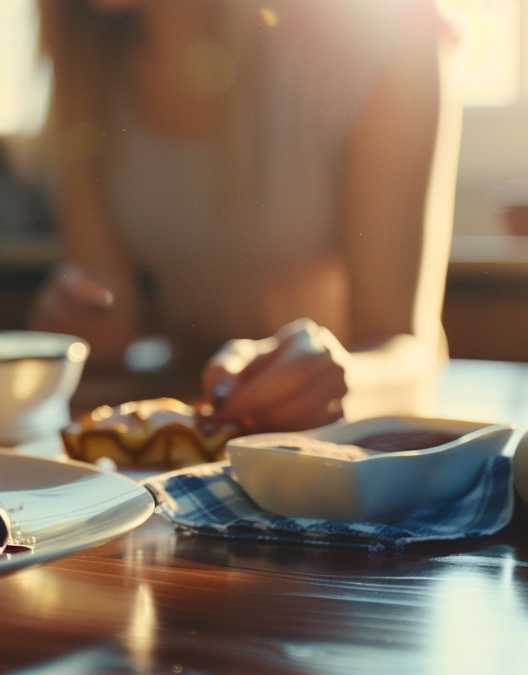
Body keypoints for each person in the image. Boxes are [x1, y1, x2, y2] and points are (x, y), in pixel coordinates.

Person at [31, 0, 460, 433]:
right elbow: (110, 310)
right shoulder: (85, 65)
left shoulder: (385, 36)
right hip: (191, 442)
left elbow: (411, 355)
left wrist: (342, 381)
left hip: (336, 453)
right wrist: (83, 322)